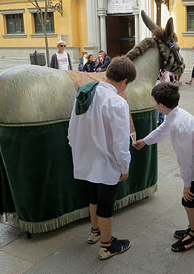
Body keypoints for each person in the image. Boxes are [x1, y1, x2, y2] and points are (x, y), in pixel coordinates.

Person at [133, 82, 194, 252]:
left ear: (161, 105)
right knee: (193, 198)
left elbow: (185, 160)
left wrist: (186, 185)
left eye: (154, 102)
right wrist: (144, 141)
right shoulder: (175, 114)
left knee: (188, 200)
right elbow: (162, 129)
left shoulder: (178, 125)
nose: (154, 104)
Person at [67, 56, 136, 260]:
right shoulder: (117, 102)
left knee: (93, 197)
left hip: (86, 158)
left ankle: (95, 232)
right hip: (107, 162)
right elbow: (121, 142)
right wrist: (125, 166)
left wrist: (78, 151)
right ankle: (106, 246)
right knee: (106, 203)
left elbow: (71, 130)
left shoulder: (85, 92)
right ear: (124, 81)